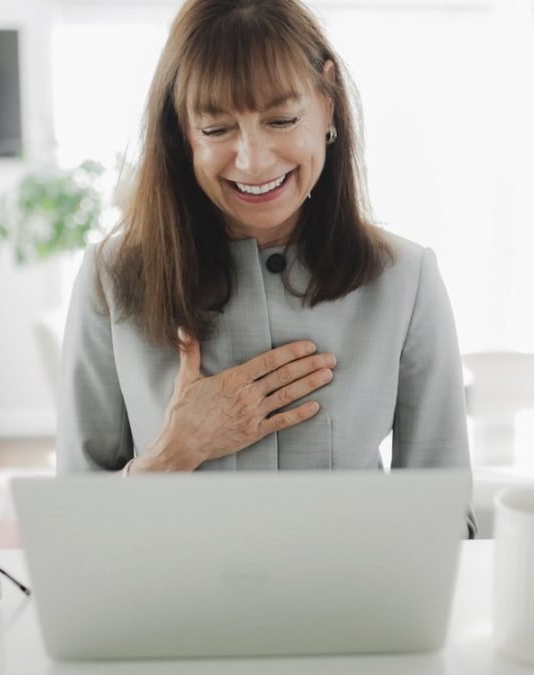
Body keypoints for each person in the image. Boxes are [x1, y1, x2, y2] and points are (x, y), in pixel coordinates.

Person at [57, 0, 475, 536]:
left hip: (348, 591)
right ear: (182, 132)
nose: (253, 161)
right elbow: (73, 527)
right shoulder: (111, 277)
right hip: (171, 591)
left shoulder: (406, 279)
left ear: (327, 103)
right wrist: (175, 453)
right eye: (216, 129)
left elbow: (444, 520)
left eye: (281, 120)